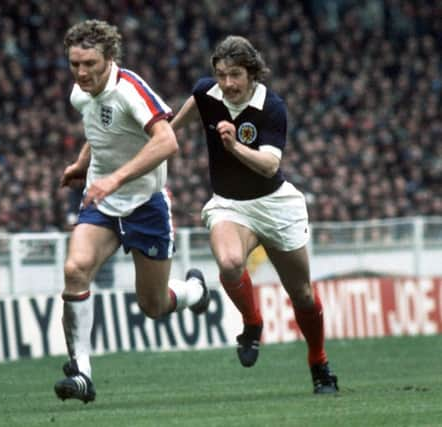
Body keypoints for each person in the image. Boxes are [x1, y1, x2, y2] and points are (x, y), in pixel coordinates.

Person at [170, 35, 339, 394]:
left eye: (235, 75)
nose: (227, 83)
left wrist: (234, 146)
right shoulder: (206, 93)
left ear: (251, 73)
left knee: (303, 295)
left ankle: (319, 363)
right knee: (230, 263)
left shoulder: (271, 107)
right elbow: (179, 123)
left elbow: (269, 165)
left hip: (274, 204)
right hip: (230, 204)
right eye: (220, 74)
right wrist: (156, 140)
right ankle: (252, 323)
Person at [55, 19, 210, 403]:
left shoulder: (130, 89)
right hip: (102, 203)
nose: (81, 72)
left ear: (110, 58)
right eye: (75, 63)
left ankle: (193, 291)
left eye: (89, 63)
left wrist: (116, 178)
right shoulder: (80, 93)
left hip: (145, 205)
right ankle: (82, 374)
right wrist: (81, 164)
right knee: (75, 270)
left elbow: (167, 141)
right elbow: (99, 132)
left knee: (153, 305)